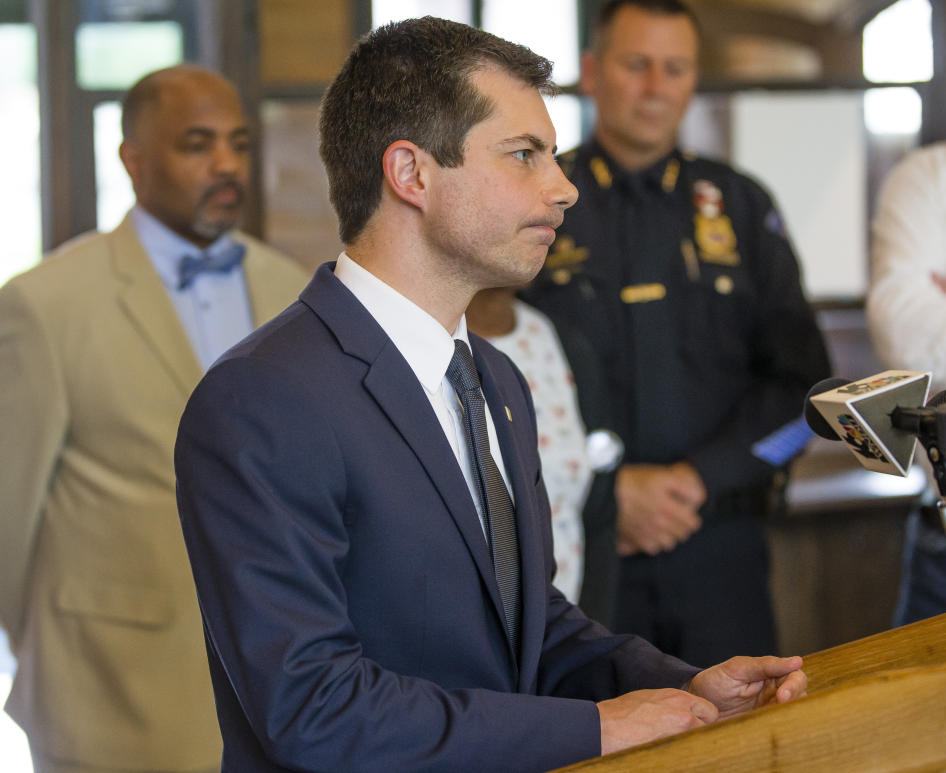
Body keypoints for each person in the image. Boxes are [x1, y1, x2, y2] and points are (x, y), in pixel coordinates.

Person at [174, 17, 807, 771]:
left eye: (555, 157)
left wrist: (681, 686)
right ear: (410, 174)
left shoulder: (498, 377)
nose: (564, 187)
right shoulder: (261, 399)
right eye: (524, 156)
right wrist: (596, 729)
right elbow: (312, 709)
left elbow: (531, 627)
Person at [0, 65, 307, 773]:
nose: (226, 164)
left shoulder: (290, 289)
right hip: (106, 693)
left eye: (237, 142)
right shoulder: (46, 305)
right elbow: (8, 520)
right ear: (132, 161)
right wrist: (47, 650)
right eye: (196, 144)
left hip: (271, 695)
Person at [523, 0, 831, 667]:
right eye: (637, 65)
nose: (656, 87)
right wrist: (608, 492)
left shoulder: (740, 205)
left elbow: (807, 392)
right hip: (582, 548)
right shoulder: (538, 201)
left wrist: (700, 478)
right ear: (592, 71)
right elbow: (493, 372)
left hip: (721, 544)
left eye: (675, 68)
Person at [867, 139, 946, 625]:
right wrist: (921, 310)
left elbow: (927, 327)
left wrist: (945, 311)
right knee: (923, 703)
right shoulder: (931, 176)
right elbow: (902, 328)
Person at [466, 287, 591, 603]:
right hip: (470, 635)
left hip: (560, 626)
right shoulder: (426, 339)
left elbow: (588, 509)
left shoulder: (546, 331)